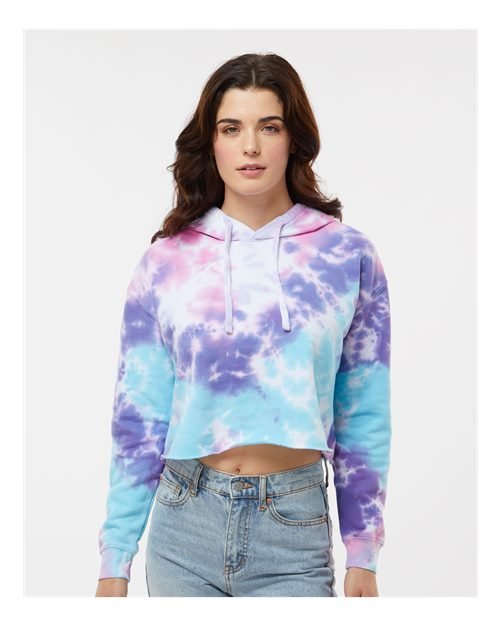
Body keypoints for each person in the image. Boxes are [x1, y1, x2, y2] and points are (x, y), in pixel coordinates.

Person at [95, 52, 392, 598]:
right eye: (231, 128)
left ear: (293, 138)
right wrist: (115, 562)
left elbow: (364, 413)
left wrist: (363, 551)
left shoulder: (345, 256)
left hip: (293, 526)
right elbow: (138, 419)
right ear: (211, 141)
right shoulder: (166, 262)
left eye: (269, 127)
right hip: (182, 525)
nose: (250, 146)